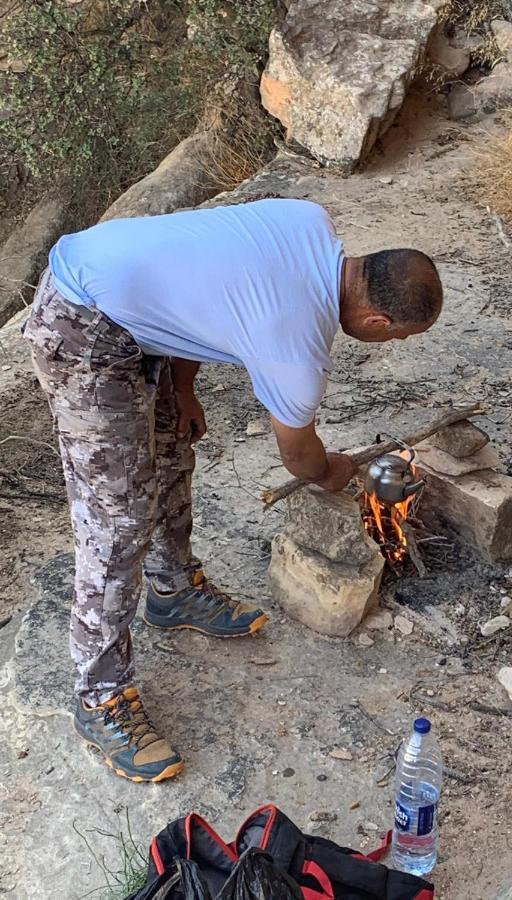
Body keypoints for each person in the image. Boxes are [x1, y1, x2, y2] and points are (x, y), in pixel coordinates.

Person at [24, 198, 443, 783]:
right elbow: (299, 457)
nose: (392, 345)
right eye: (400, 338)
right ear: (378, 324)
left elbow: (206, 285)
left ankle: (172, 592)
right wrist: (334, 471)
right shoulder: (297, 345)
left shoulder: (309, 221)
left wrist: (182, 389)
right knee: (115, 522)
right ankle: (99, 696)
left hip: (125, 301)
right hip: (82, 322)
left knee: (171, 446)